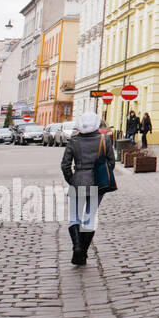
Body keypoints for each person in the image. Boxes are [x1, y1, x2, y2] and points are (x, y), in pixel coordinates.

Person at [61, 112, 116, 267]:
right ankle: (83, 252)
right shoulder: (104, 140)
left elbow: (65, 165)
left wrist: (71, 179)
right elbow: (111, 162)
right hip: (97, 184)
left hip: (77, 181)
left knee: (74, 218)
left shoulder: (74, 141)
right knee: (89, 218)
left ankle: (77, 247)